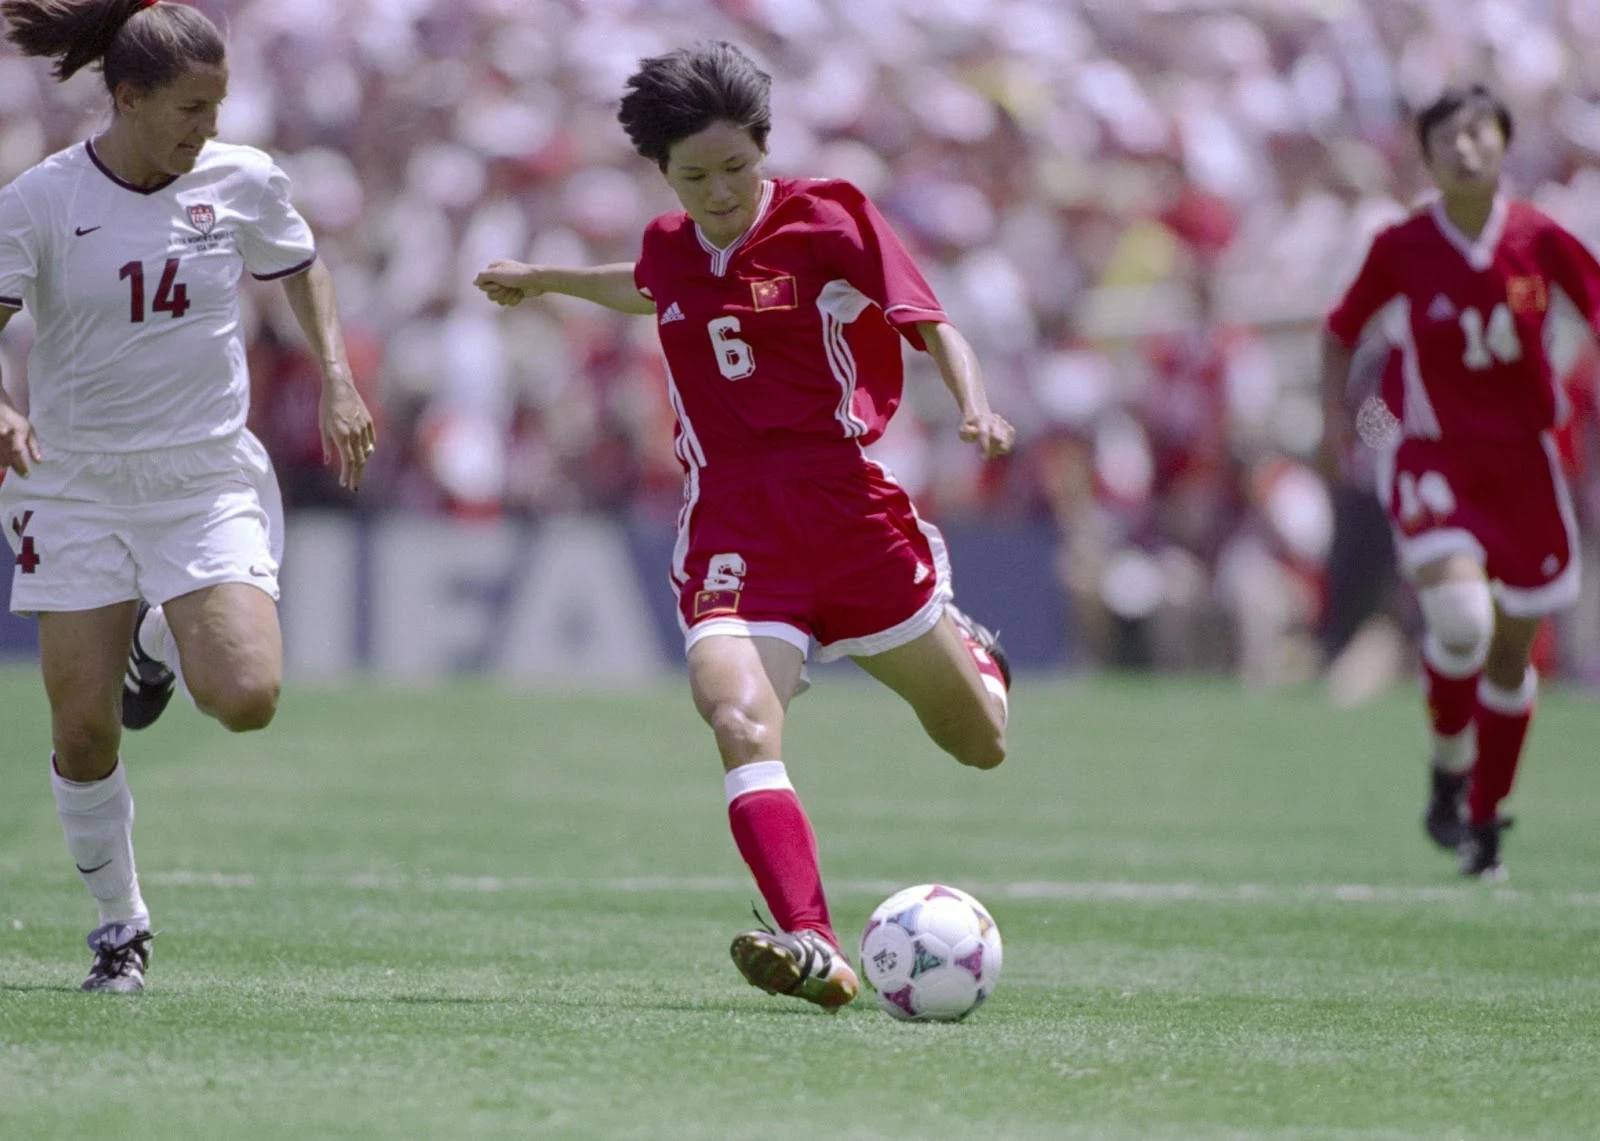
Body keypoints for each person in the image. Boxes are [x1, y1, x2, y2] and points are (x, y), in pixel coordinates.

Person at [476, 42, 1014, 1010]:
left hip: (846, 512)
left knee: (979, 743)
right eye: (695, 177)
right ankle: (812, 943)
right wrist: (546, 278)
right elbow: (646, 285)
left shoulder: (830, 217)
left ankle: (971, 652)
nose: (720, 192)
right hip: (731, 520)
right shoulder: (671, 244)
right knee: (734, 717)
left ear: (765, 150)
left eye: (736, 169)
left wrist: (973, 404)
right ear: (664, 174)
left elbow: (929, 319)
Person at [0, 0, 375, 991]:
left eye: (216, 106)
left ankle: (156, 644)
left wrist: (335, 374)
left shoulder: (241, 179)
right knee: (83, 732)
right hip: (74, 480)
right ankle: (120, 924)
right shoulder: (40, 200)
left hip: (201, 473)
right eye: (189, 109)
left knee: (247, 698)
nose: (206, 128)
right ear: (128, 99)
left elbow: (301, 267)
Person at [1318, 85, 1600, 879]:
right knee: (1463, 618)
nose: (1466, 148)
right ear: (1427, 155)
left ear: (1505, 144)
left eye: (1480, 133)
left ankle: (1485, 816)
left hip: (1528, 465)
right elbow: (1344, 333)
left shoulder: (1541, 238)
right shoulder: (1402, 246)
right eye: (1449, 137)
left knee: (1511, 656)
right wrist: (1341, 430)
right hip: (1430, 453)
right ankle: (1448, 767)